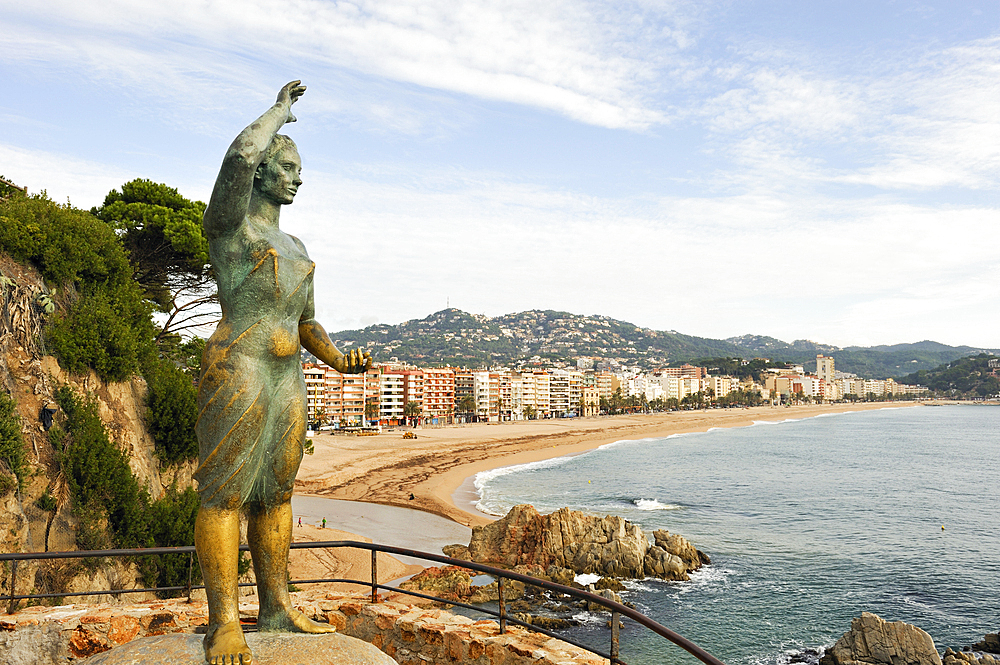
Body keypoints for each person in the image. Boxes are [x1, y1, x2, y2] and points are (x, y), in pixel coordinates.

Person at [193, 80, 371, 665]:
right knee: (224, 496)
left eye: (299, 169)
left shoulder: (294, 245)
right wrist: (278, 113)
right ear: (264, 172)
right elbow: (239, 155)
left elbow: (307, 322)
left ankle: (275, 605)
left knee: (276, 494)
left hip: (287, 376)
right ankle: (223, 621)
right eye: (290, 167)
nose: (299, 178)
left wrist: (339, 359)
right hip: (238, 367)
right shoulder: (230, 229)